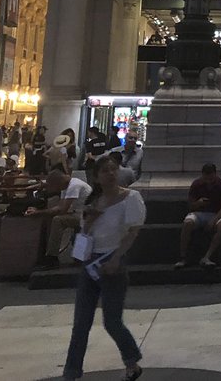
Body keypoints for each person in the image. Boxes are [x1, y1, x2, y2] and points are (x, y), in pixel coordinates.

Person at [61, 155, 146, 381]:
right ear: (97, 177)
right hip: (90, 263)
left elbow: (132, 233)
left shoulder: (131, 198)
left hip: (112, 262)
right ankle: (71, 372)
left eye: (113, 169)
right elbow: (83, 235)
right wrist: (89, 221)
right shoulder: (93, 203)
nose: (110, 173)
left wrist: (117, 258)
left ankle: (131, 360)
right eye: (105, 170)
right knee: (80, 323)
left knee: (112, 321)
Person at [26, 167, 92, 265]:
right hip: (81, 215)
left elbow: (61, 209)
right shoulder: (69, 185)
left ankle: (52, 256)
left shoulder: (74, 186)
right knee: (57, 218)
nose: (55, 189)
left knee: (58, 220)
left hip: (86, 218)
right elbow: (60, 207)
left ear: (59, 182)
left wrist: (39, 212)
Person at [176, 163, 221, 269]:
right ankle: (183, 257)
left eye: (211, 178)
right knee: (187, 223)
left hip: (215, 213)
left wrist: (214, 220)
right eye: (206, 178)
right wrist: (198, 203)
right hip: (198, 213)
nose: (208, 181)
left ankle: (207, 256)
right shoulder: (197, 184)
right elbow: (190, 206)